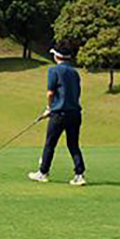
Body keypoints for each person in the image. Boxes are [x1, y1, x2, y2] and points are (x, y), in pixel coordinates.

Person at [28, 46, 86, 186]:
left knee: (50, 144)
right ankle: (79, 175)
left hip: (59, 114)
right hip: (75, 113)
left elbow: (50, 93)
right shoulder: (75, 72)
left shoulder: (53, 70)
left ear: (56, 56)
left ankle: (43, 173)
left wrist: (49, 108)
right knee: (73, 145)